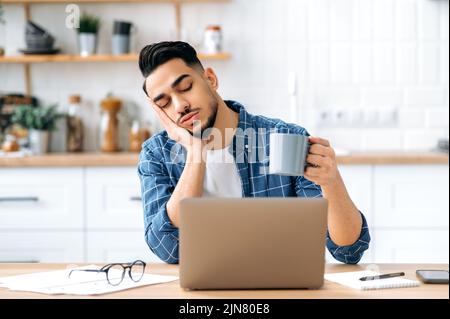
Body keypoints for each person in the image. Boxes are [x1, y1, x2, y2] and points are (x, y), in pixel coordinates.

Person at [137, 41, 370, 264]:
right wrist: (195, 154)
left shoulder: (284, 139)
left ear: (210, 79)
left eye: (185, 87)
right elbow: (167, 248)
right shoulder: (156, 154)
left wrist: (332, 182)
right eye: (165, 103)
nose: (179, 106)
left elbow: (348, 251)